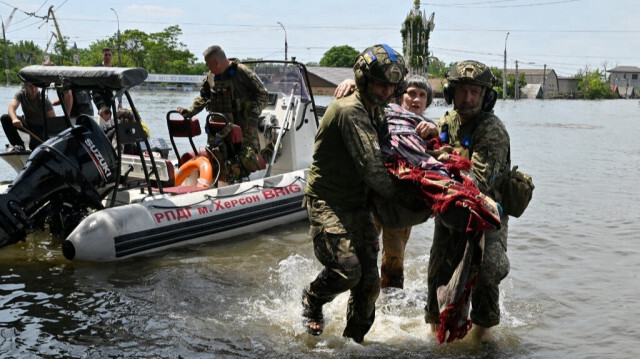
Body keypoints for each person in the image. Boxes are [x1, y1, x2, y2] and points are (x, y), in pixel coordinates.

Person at [301, 44, 424, 343]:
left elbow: (391, 146)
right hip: (328, 201)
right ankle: (313, 299)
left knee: (370, 284)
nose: (386, 91)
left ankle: (353, 342)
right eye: (380, 83)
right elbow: (372, 170)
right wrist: (414, 198)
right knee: (348, 270)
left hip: (357, 203)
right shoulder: (350, 111)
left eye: (391, 85)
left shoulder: (376, 110)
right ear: (365, 80)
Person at [424, 60, 510, 342]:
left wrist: (445, 158)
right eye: (462, 91)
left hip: (486, 216)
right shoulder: (446, 122)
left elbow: (481, 182)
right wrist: (427, 140)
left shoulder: (492, 130)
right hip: (451, 212)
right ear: (451, 93)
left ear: (486, 96)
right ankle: (436, 332)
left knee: (487, 274)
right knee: (438, 271)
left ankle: (483, 339)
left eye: (475, 92)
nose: (469, 98)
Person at [334, 74, 438, 289]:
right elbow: (363, 101)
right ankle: (358, 298)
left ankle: (391, 308)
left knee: (394, 258)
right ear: (400, 96)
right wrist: (351, 82)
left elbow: (441, 161)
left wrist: (435, 133)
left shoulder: (428, 127)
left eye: (422, 95)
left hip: (400, 203)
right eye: (411, 93)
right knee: (360, 251)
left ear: (427, 102)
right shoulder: (382, 113)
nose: (416, 100)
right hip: (370, 195)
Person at [177, 45, 269, 153]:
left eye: (209, 65)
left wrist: (253, 115)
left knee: (244, 163)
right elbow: (204, 97)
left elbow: (263, 94)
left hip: (243, 130)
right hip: (218, 131)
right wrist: (190, 111)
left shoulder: (241, 72)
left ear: (216, 63)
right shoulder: (211, 76)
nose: (208, 68)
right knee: (218, 161)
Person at [1, 82, 56, 150]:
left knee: (34, 146)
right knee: (5, 118)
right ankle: (18, 145)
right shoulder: (20, 94)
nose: (33, 90)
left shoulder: (43, 99)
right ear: (25, 86)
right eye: (30, 87)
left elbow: (53, 120)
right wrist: (14, 119)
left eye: (35, 87)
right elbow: (11, 108)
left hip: (41, 129)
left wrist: (51, 137)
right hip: (28, 125)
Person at [92, 47, 121, 111]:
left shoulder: (115, 70)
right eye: (106, 55)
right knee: (103, 112)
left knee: (108, 114)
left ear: (112, 56)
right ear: (102, 55)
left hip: (109, 95)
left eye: (109, 55)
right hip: (98, 94)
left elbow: (118, 87)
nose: (107, 57)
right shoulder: (96, 68)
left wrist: (120, 102)